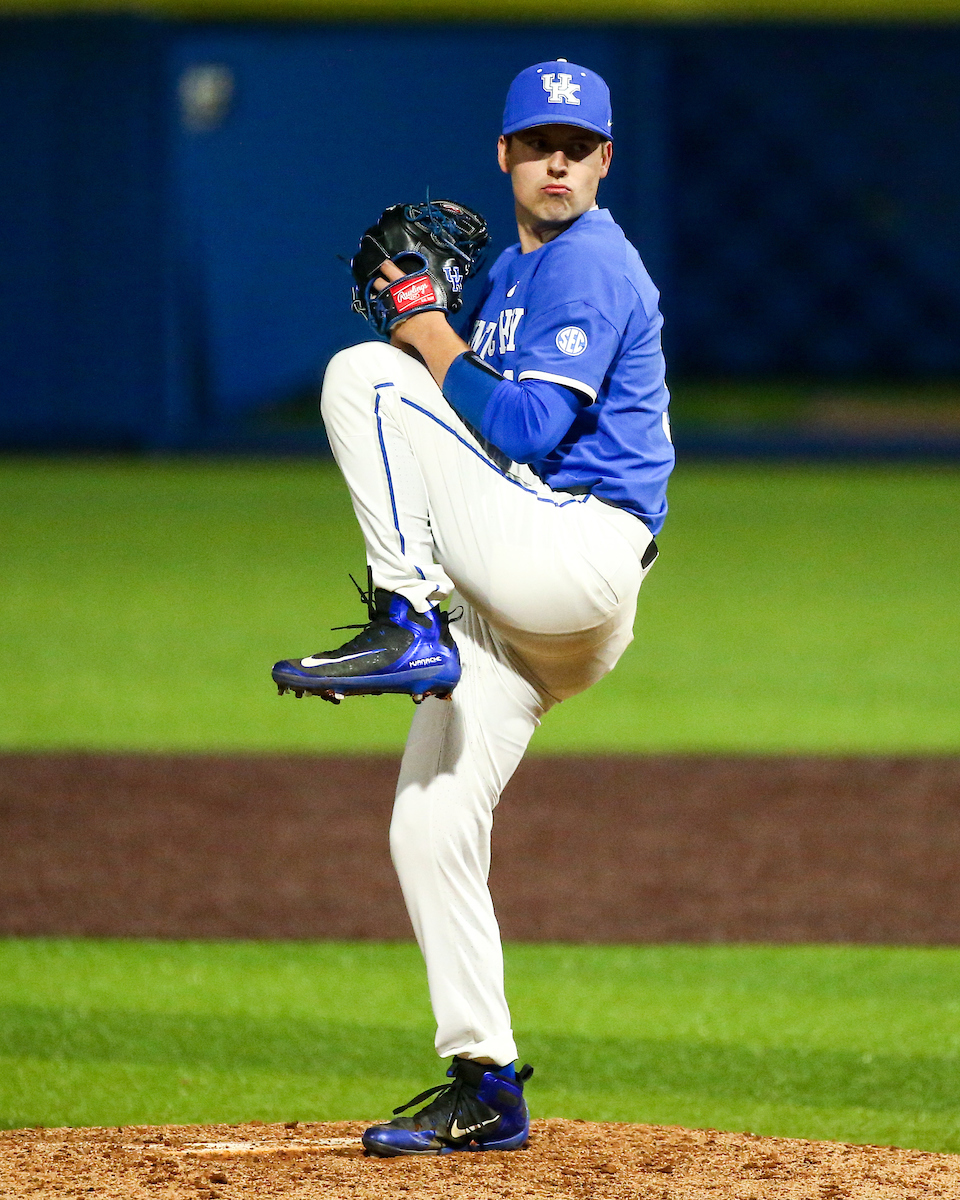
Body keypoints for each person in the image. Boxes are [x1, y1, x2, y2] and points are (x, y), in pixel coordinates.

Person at [272, 59, 675, 1157]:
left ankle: (407, 617)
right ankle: (485, 1082)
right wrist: (446, 318)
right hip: (524, 606)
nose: (557, 160)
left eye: (578, 145)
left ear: (604, 161)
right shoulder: (508, 274)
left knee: (365, 376)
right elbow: (472, 422)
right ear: (504, 156)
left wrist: (421, 325)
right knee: (430, 820)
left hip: (574, 554)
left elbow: (532, 432)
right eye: (538, 142)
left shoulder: (593, 264)